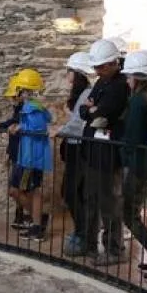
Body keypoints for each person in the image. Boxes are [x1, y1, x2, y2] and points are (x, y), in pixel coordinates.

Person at [75, 39, 130, 263]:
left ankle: (114, 249)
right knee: (91, 199)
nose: (97, 71)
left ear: (112, 63)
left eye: (100, 67)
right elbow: (85, 111)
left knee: (109, 203)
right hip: (93, 150)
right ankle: (89, 245)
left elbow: (104, 113)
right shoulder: (101, 81)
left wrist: (93, 110)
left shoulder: (120, 85)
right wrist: (92, 110)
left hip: (108, 153)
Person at [120, 50, 147, 272]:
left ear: (136, 77)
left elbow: (133, 135)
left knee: (128, 213)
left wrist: (124, 155)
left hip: (140, 164)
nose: (127, 80)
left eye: (129, 76)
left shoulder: (139, 100)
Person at [7, 69, 53, 242]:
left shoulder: (32, 107)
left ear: (24, 90)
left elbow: (39, 129)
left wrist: (20, 128)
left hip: (31, 157)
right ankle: (37, 223)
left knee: (17, 191)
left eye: (18, 89)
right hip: (28, 155)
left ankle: (38, 223)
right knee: (31, 191)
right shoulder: (31, 106)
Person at [56, 52, 95, 255]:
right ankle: (82, 232)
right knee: (73, 192)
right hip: (75, 146)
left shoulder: (87, 93)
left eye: (69, 71)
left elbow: (78, 124)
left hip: (79, 147)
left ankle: (83, 234)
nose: (67, 75)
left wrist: (58, 130)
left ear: (76, 72)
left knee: (72, 192)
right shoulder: (84, 93)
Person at [0, 73, 26, 227]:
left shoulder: (27, 109)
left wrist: (5, 126)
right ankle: (21, 214)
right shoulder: (18, 109)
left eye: (13, 96)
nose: (11, 99)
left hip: (23, 153)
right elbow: (12, 122)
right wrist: (0, 126)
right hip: (16, 152)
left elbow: (17, 124)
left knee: (19, 187)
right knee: (16, 187)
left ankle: (33, 216)